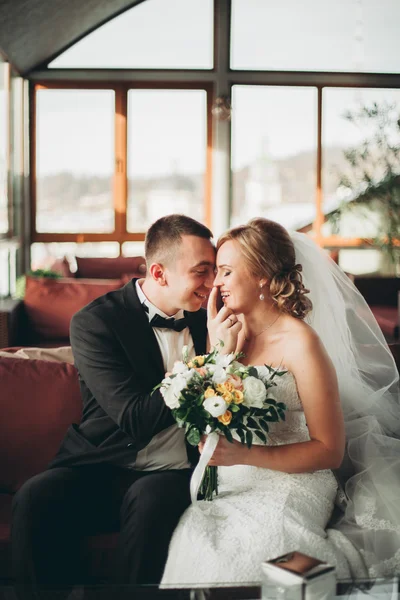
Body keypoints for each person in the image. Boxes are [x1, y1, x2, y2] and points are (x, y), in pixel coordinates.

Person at [161, 217, 400, 585]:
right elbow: (211, 422)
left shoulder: (301, 343)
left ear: (261, 275)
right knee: (194, 540)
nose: (216, 283)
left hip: (293, 480)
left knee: (257, 549)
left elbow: (329, 451)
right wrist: (217, 353)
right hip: (232, 480)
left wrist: (247, 455)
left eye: (225, 271)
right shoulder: (224, 334)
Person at [11, 214, 217, 589]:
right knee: (33, 498)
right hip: (102, 465)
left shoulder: (212, 320)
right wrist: (198, 372)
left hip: (176, 471)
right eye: (202, 272)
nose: (212, 283)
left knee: (149, 498)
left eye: (215, 270)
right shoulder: (96, 323)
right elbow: (134, 419)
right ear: (159, 273)